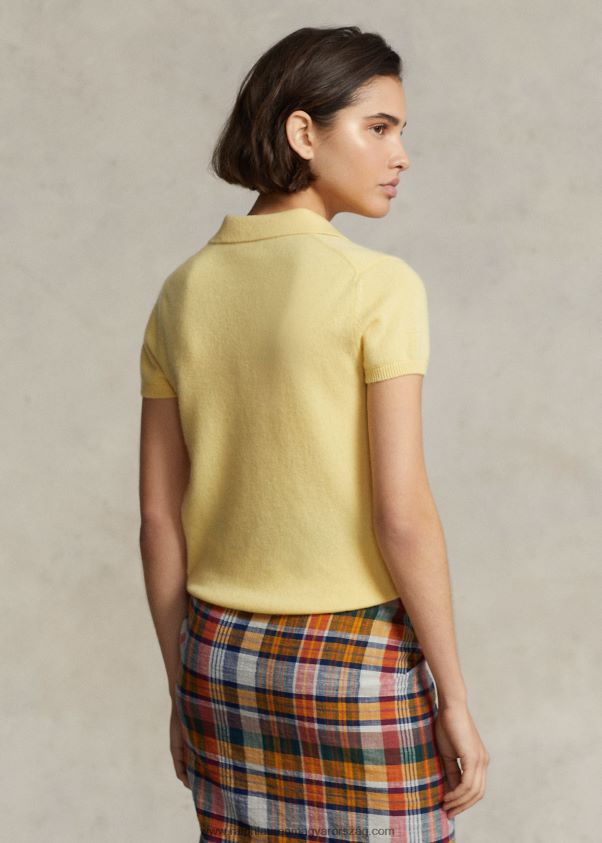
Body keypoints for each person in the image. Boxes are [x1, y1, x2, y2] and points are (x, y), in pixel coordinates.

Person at [138, 25, 489, 843]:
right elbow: (401, 513)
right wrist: (455, 696)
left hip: (219, 659)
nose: (401, 155)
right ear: (303, 131)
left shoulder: (183, 291)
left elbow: (158, 519)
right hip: (356, 661)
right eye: (379, 127)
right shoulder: (378, 285)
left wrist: (181, 686)